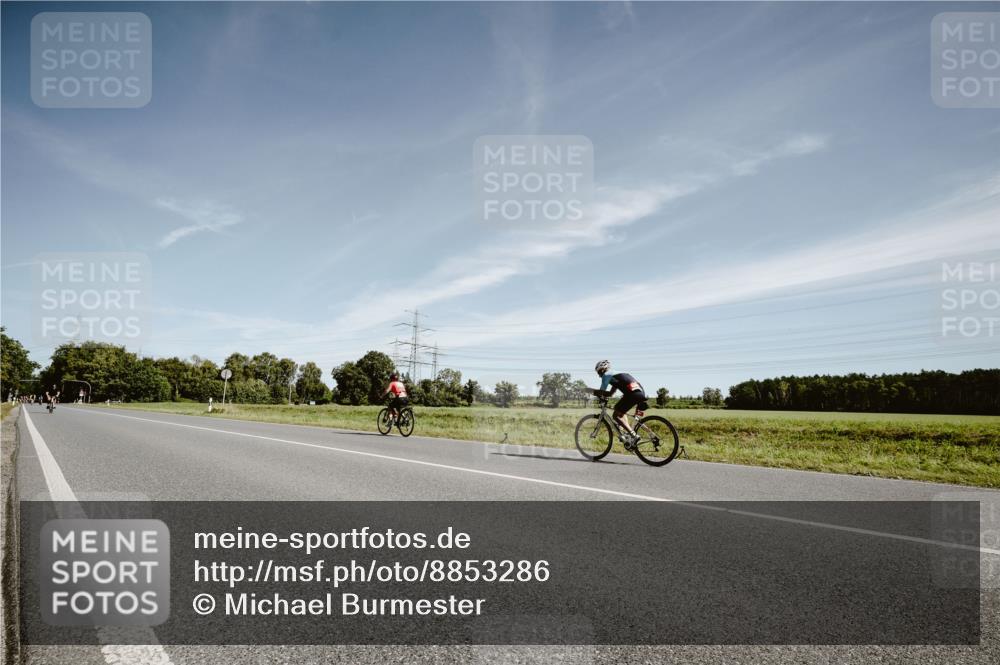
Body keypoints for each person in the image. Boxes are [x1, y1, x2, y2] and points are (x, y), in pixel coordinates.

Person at [594, 360, 648, 447]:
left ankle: (633, 435)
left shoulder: (607, 375)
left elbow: (601, 391)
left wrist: (592, 392)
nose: (599, 376)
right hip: (640, 392)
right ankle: (628, 433)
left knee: (615, 415)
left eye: (599, 372)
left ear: (604, 369)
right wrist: (604, 396)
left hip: (632, 394)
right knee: (619, 410)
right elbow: (610, 394)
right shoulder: (617, 376)